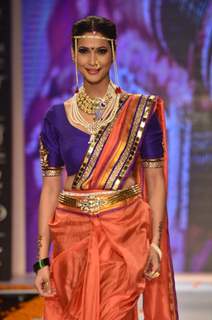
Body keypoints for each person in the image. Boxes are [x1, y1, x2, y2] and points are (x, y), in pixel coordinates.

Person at [34, 15, 178, 320]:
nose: (93, 60)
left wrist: (154, 243)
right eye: (84, 51)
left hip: (123, 235)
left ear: (113, 52)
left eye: (101, 51)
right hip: (72, 240)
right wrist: (41, 260)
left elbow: (155, 180)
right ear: (73, 54)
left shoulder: (140, 111)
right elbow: (50, 189)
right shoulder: (57, 118)